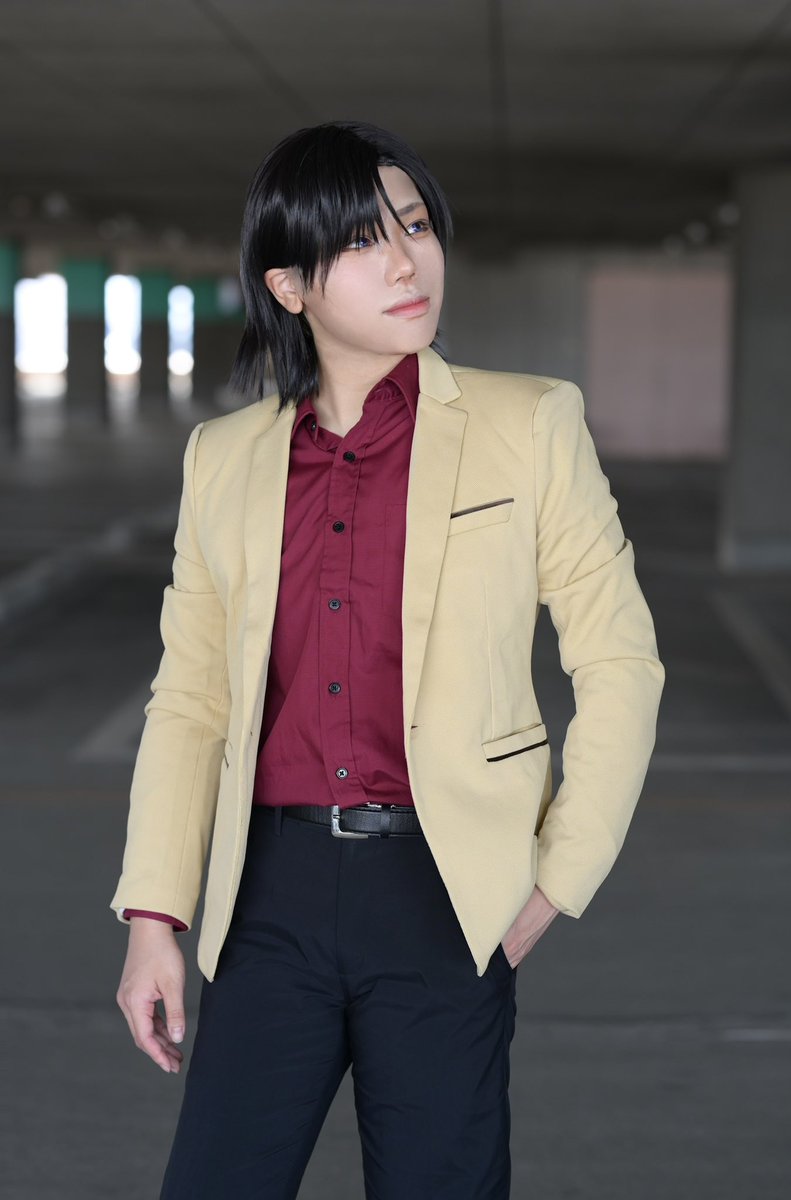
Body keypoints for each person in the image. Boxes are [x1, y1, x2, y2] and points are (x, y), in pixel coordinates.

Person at [111, 120, 665, 1199]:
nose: (406, 261)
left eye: (414, 225)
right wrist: (153, 918)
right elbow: (189, 701)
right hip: (266, 893)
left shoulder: (529, 423)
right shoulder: (222, 459)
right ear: (288, 286)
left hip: (441, 888)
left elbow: (618, 660)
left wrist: (558, 879)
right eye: (361, 241)